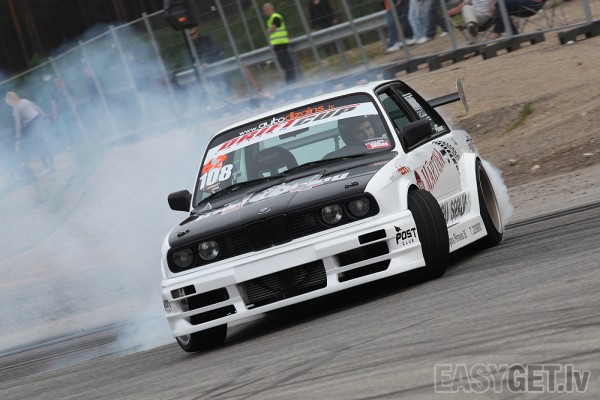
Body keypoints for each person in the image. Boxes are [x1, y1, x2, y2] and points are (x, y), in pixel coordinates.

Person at [4, 91, 54, 176]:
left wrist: (18, 139)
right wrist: (45, 117)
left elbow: (18, 125)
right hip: (39, 120)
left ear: (11, 101)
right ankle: (51, 165)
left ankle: (47, 166)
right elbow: (37, 108)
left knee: (39, 146)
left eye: (9, 103)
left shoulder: (16, 109)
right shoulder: (25, 101)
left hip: (32, 125)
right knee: (44, 144)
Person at [263, 2, 297, 84]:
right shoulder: (270, 19)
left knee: (285, 61)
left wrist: (268, 31)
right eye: (264, 10)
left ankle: (291, 79)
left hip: (280, 43)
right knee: (283, 62)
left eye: (266, 10)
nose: (265, 12)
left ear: (271, 8)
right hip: (277, 43)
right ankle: (289, 79)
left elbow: (273, 28)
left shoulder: (276, 16)